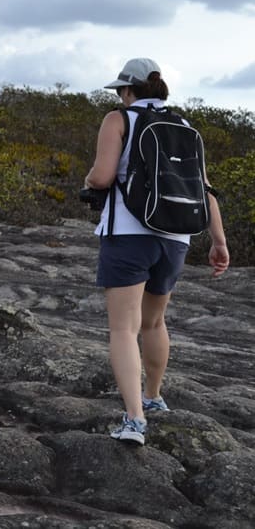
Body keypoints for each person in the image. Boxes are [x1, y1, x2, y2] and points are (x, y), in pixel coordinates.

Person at [83, 57, 229, 446]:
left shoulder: (119, 119)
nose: (120, 97)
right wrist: (219, 241)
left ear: (129, 91)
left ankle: (135, 419)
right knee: (153, 323)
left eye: (121, 91)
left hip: (129, 234)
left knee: (123, 329)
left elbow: (101, 176)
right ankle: (154, 397)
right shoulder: (184, 126)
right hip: (176, 238)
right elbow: (204, 189)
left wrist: (88, 182)